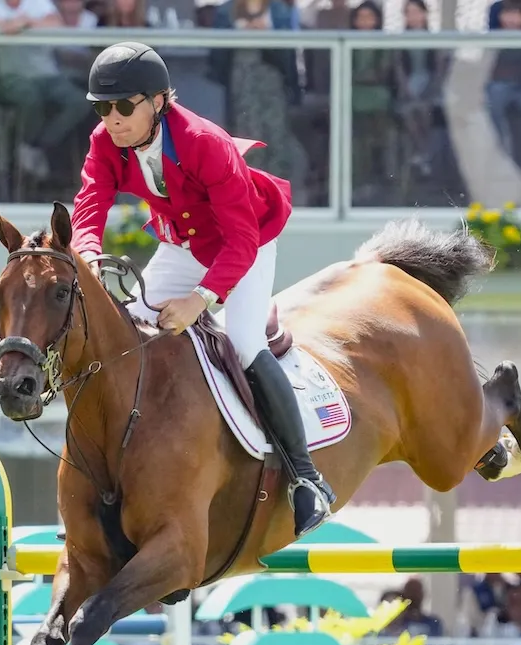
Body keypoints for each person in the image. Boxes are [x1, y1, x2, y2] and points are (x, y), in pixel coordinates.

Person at [70, 41, 337, 536]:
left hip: (245, 244)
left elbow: (241, 240)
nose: (112, 118)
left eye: (124, 106)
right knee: (133, 328)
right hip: (182, 244)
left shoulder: (203, 142)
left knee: (244, 342)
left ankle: (306, 478)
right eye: (102, 108)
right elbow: (90, 204)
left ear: (157, 102)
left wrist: (200, 300)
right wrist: (86, 254)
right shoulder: (106, 141)